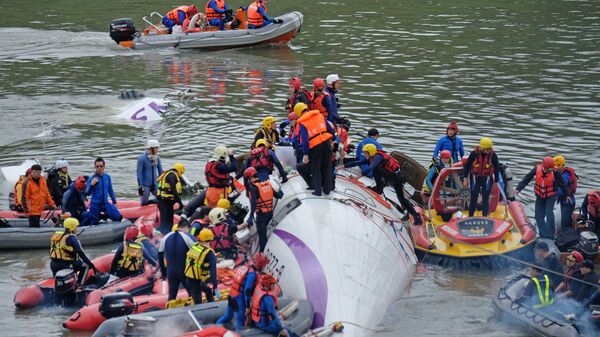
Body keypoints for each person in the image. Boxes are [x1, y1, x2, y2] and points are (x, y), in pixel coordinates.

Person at [341, 144, 421, 225]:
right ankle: (379, 188)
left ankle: (416, 216)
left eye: (365, 153)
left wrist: (358, 177)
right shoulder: (371, 158)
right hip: (391, 177)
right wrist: (342, 166)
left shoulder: (378, 157)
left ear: (370, 152)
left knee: (401, 198)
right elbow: (357, 162)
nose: (364, 155)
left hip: (397, 178)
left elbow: (371, 168)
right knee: (400, 198)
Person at [516, 157, 568, 239]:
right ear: (544, 167)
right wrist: (518, 189)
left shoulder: (555, 172)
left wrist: (567, 194)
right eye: (548, 170)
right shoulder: (537, 169)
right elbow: (527, 179)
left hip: (551, 195)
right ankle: (542, 233)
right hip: (540, 196)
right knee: (538, 216)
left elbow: (562, 184)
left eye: (550, 169)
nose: (549, 171)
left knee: (549, 212)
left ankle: (551, 235)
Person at [217, 252, 269, 331]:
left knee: (226, 317)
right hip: (239, 300)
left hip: (231, 296)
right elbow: (247, 291)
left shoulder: (244, 267)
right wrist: (247, 307)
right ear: (260, 264)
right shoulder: (252, 274)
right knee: (240, 323)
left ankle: (214, 328)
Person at [294, 103, 336, 196]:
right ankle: (327, 190)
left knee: (315, 169)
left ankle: (317, 192)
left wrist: (306, 153)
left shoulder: (302, 121)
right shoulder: (319, 115)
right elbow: (330, 129)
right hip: (326, 143)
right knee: (327, 167)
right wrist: (333, 140)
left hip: (315, 146)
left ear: (299, 113)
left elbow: (305, 140)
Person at [244, 167, 284, 252]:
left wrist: (251, 216)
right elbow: (278, 196)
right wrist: (280, 192)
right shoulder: (268, 184)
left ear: (250, 178)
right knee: (264, 232)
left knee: (262, 235)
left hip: (261, 215)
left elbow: (253, 203)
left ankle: (262, 253)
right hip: (269, 213)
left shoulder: (254, 188)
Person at [158, 219, 196, 301]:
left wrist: (164, 272)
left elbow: (160, 255)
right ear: (186, 227)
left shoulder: (165, 238)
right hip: (185, 271)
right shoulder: (187, 237)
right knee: (192, 294)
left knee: (172, 295)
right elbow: (199, 252)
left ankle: (169, 312)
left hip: (170, 272)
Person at [462, 137, 501, 217]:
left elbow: (496, 168)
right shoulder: (474, 153)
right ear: (482, 148)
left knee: (485, 199)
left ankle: (485, 216)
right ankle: (471, 216)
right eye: (487, 149)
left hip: (486, 179)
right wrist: (465, 178)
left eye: (490, 149)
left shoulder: (493, 155)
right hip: (475, 178)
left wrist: (496, 182)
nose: (488, 151)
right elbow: (467, 166)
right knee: (474, 198)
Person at [184, 228, 221, 304]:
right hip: (196, 281)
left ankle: (210, 304)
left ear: (200, 238)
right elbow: (213, 273)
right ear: (211, 239)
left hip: (188, 277)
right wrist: (215, 287)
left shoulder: (195, 246)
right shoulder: (210, 254)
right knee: (198, 303)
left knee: (208, 291)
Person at [83, 158, 123, 226]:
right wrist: (91, 185)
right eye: (97, 166)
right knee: (93, 223)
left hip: (105, 203)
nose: (99, 168)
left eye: (101, 166)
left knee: (119, 217)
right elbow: (87, 193)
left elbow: (110, 190)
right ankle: (99, 217)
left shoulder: (107, 177)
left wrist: (114, 202)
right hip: (95, 205)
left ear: (104, 166)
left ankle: (105, 216)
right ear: (95, 167)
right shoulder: (91, 178)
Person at [157, 163, 186, 235]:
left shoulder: (169, 174)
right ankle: (165, 234)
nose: (181, 175)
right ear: (179, 170)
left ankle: (163, 233)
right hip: (165, 202)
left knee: (167, 220)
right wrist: (179, 201)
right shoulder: (172, 175)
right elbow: (173, 189)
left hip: (164, 201)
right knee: (167, 221)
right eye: (181, 173)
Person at [553, 155, 577, 231]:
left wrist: (553, 195)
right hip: (566, 201)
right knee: (566, 221)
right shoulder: (563, 173)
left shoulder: (565, 175)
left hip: (567, 202)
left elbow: (563, 189)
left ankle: (566, 237)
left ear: (559, 165)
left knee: (565, 223)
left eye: (555, 166)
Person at [137, 139, 163, 206]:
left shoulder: (157, 158)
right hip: (145, 186)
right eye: (156, 148)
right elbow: (139, 173)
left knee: (162, 199)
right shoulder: (142, 159)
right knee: (144, 203)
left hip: (155, 185)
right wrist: (140, 186)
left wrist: (163, 183)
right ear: (151, 148)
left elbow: (161, 172)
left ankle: (151, 202)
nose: (158, 150)